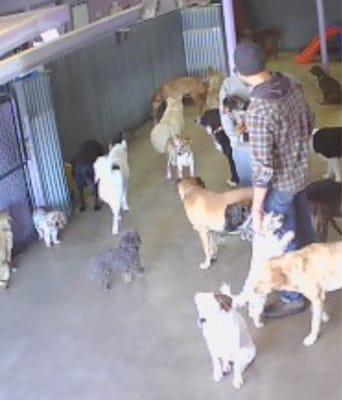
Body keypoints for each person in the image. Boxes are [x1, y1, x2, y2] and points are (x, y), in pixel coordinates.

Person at [234, 42, 317, 318]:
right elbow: (309, 119)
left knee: (283, 240)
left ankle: (293, 296)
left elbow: (263, 167)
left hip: (280, 184)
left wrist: (257, 208)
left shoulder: (258, 110)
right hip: (301, 172)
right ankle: (314, 277)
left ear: (240, 73)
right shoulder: (291, 84)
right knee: (304, 229)